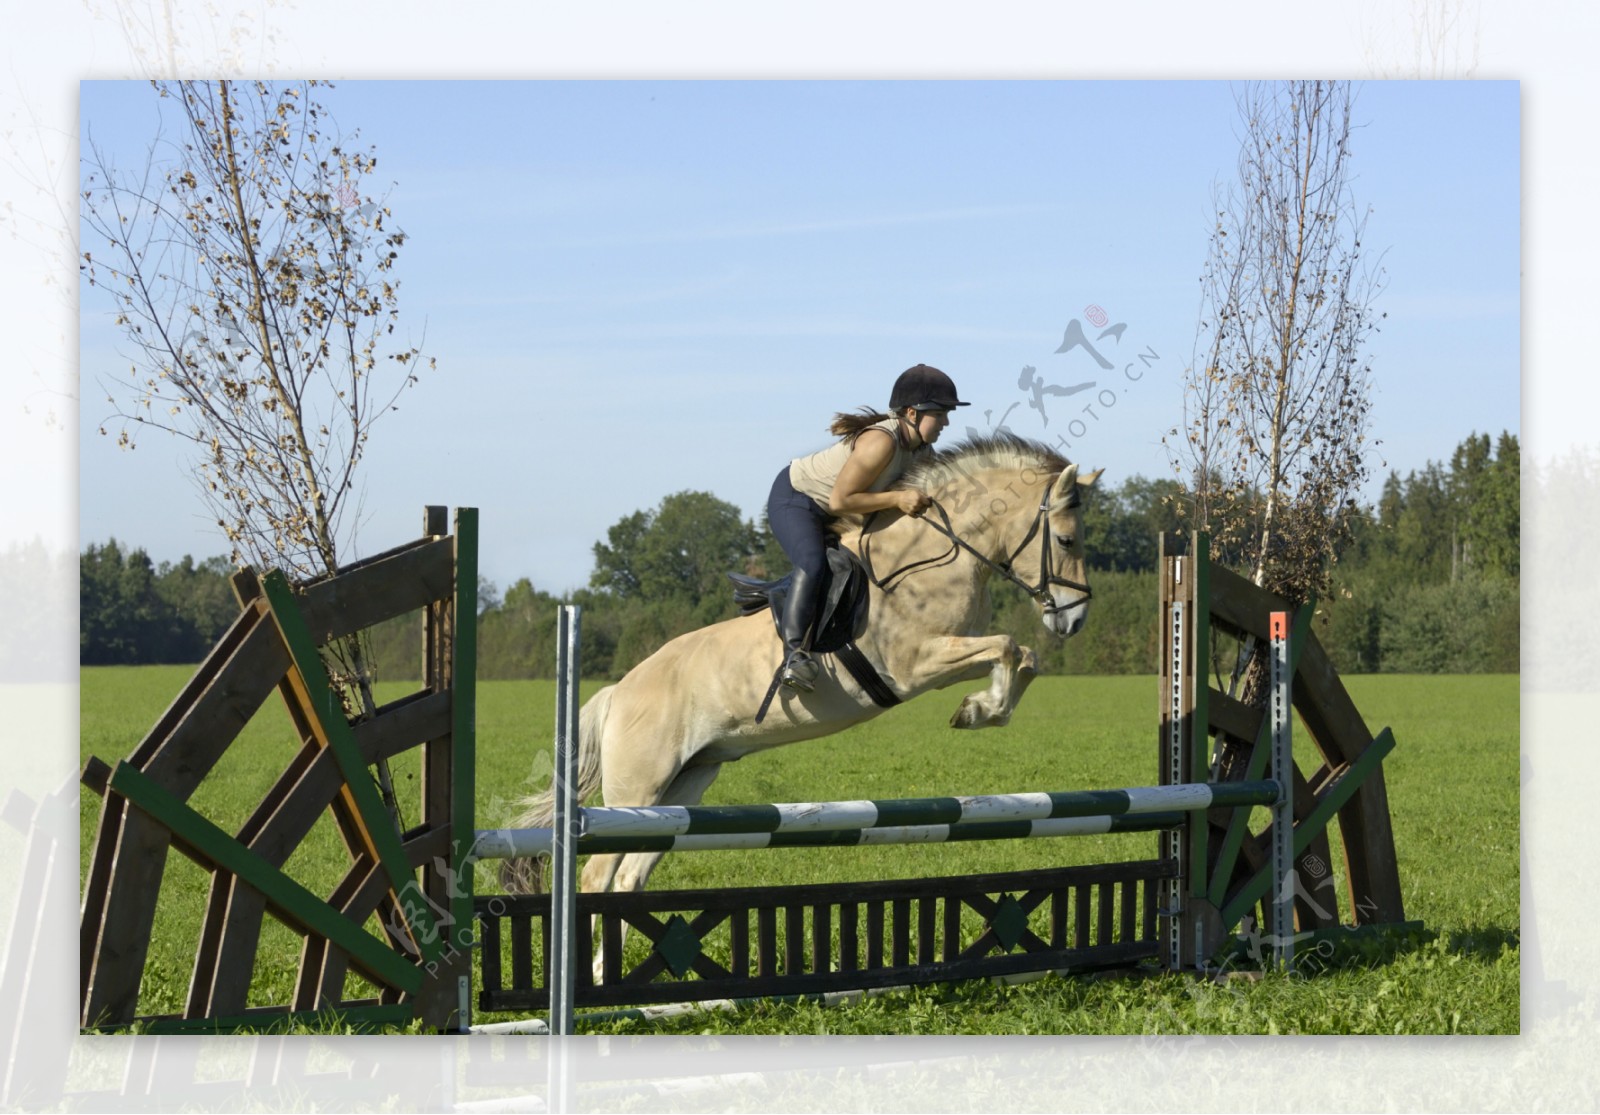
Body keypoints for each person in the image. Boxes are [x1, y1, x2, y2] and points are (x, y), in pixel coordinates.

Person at [766, 363, 970, 691]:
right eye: (941, 413)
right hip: (797, 500)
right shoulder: (881, 442)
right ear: (911, 413)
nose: (946, 421)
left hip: (841, 510)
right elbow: (840, 502)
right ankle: (794, 656)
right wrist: (898, 499)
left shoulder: (923, 453)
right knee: (814, 562)